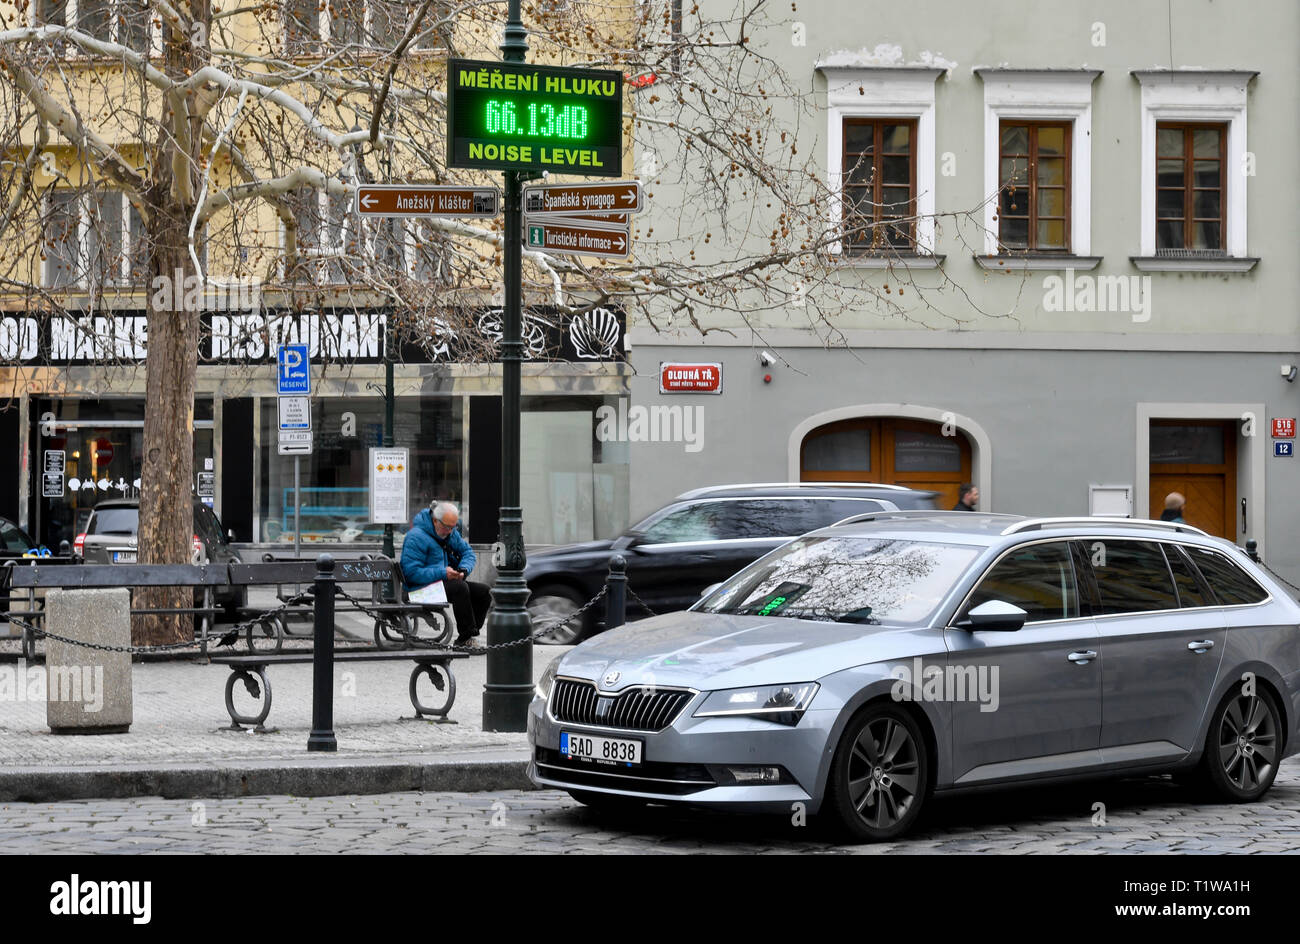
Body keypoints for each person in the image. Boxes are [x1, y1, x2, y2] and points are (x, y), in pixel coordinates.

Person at [401, 500, 491, 646]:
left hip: (441, 583)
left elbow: (468, 552)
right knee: (459, 588)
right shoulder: (415, 537)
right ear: (435, 520)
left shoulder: (450, 533)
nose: (450, 531)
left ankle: (469, 635)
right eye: (447, 527)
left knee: (484, 592)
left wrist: (463, 570)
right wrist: (442, 573)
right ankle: (465, 638)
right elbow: (411, 573)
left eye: (453, 527)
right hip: (416, 590)